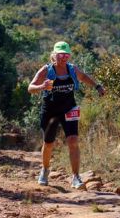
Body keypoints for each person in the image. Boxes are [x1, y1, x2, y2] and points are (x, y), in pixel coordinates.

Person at [28, 41, 105, 189]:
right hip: (50, 110)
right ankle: (44, 170)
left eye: (67, 55)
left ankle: (76, 177)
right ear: (54, 55)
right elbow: (30, 88)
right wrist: (42, 86)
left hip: (69, 109)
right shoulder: (46, 70)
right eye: (61, 55)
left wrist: (97, 86)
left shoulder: (72, 69)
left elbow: (83, 77)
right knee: (49, 143)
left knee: (73, 141)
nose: (64, 57)